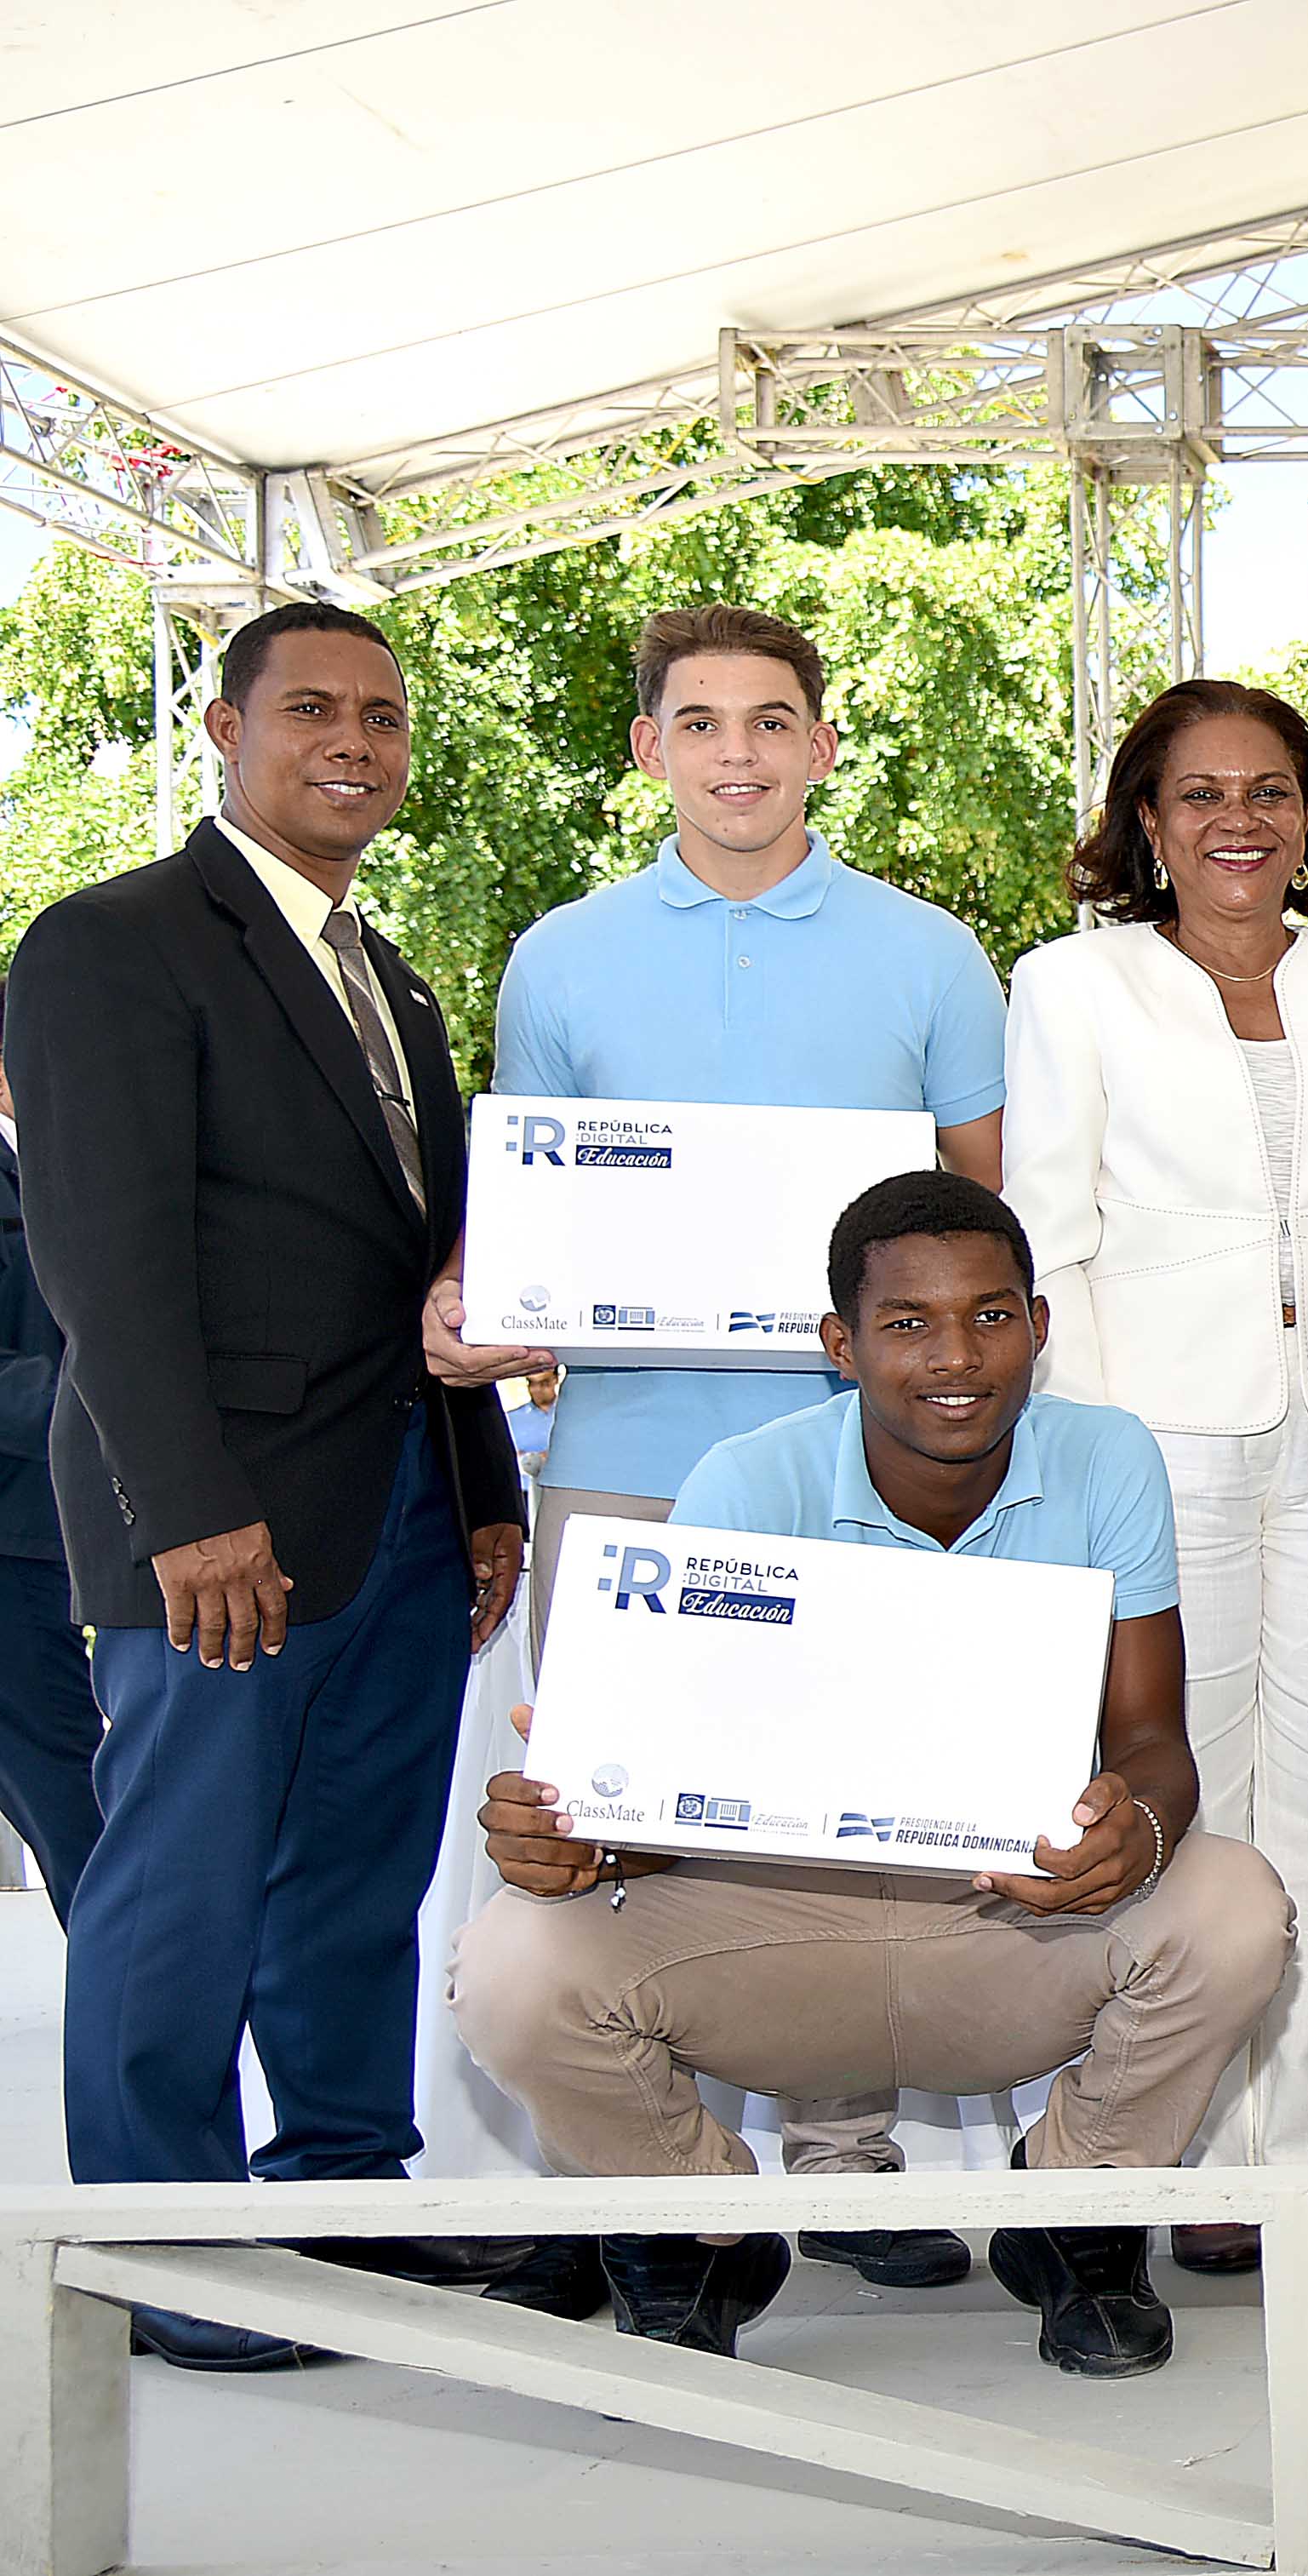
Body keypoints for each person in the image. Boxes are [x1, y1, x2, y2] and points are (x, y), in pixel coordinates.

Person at [448, 1173, 1290, 2373]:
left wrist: (1137, 1833)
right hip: (781, 1929)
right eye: (907, 1322)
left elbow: (1155, 1740)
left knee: (1235, 1903)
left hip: (1004, 1922)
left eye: (991, 1315)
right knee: (511, 1960)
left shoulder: (1105, 1456)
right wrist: (578, 1827)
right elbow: (662, 1793)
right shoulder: (747, 1481)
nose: (957, 1355)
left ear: (1039, 1325)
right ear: (840, 1346)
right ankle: (697, 2230)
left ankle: (1076, 2214)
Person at [418, 603, 1010, 2293]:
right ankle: (630, 2180)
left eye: (767, 721)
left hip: (854, 1463)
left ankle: (845, 2153)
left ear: (822, 744)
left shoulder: (929, 955)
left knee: (848, 1810)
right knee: (599, 1806)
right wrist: (477, 1289)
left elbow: (976, 1211)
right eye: (699, 723)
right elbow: (529, 1207)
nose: (736, 753)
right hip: (623, 1446)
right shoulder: (561, 956)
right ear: (648, 750)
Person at [5, 604, 532, 2369]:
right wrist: (185, 1512)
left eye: (384, 715)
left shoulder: (394, 981)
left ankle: (343, 2202)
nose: (355, 742)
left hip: (399, 1507)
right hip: (217, 1523)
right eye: (311, 708)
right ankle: (169, 2256)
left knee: (356, 1883)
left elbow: (426, 1268)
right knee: (179, 1887)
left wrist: (480, 1486)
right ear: (227, 730)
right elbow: (101, 1259)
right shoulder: (114, 943)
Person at [1004, 678, 1308, 2268]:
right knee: (1186, 1799)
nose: (1238, 820)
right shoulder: (1071, 983)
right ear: (1147, 822)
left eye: (1270, 791)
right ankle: (1174, 2157)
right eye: (1200, 793)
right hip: (1158, 1444)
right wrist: (1096, 1454)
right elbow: (1047, 1237)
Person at [0, 985, 102, 1919]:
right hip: (12, 1545)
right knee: (78, 1809)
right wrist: (111, 1410)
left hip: (49, 1536)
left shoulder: (54, 1172)